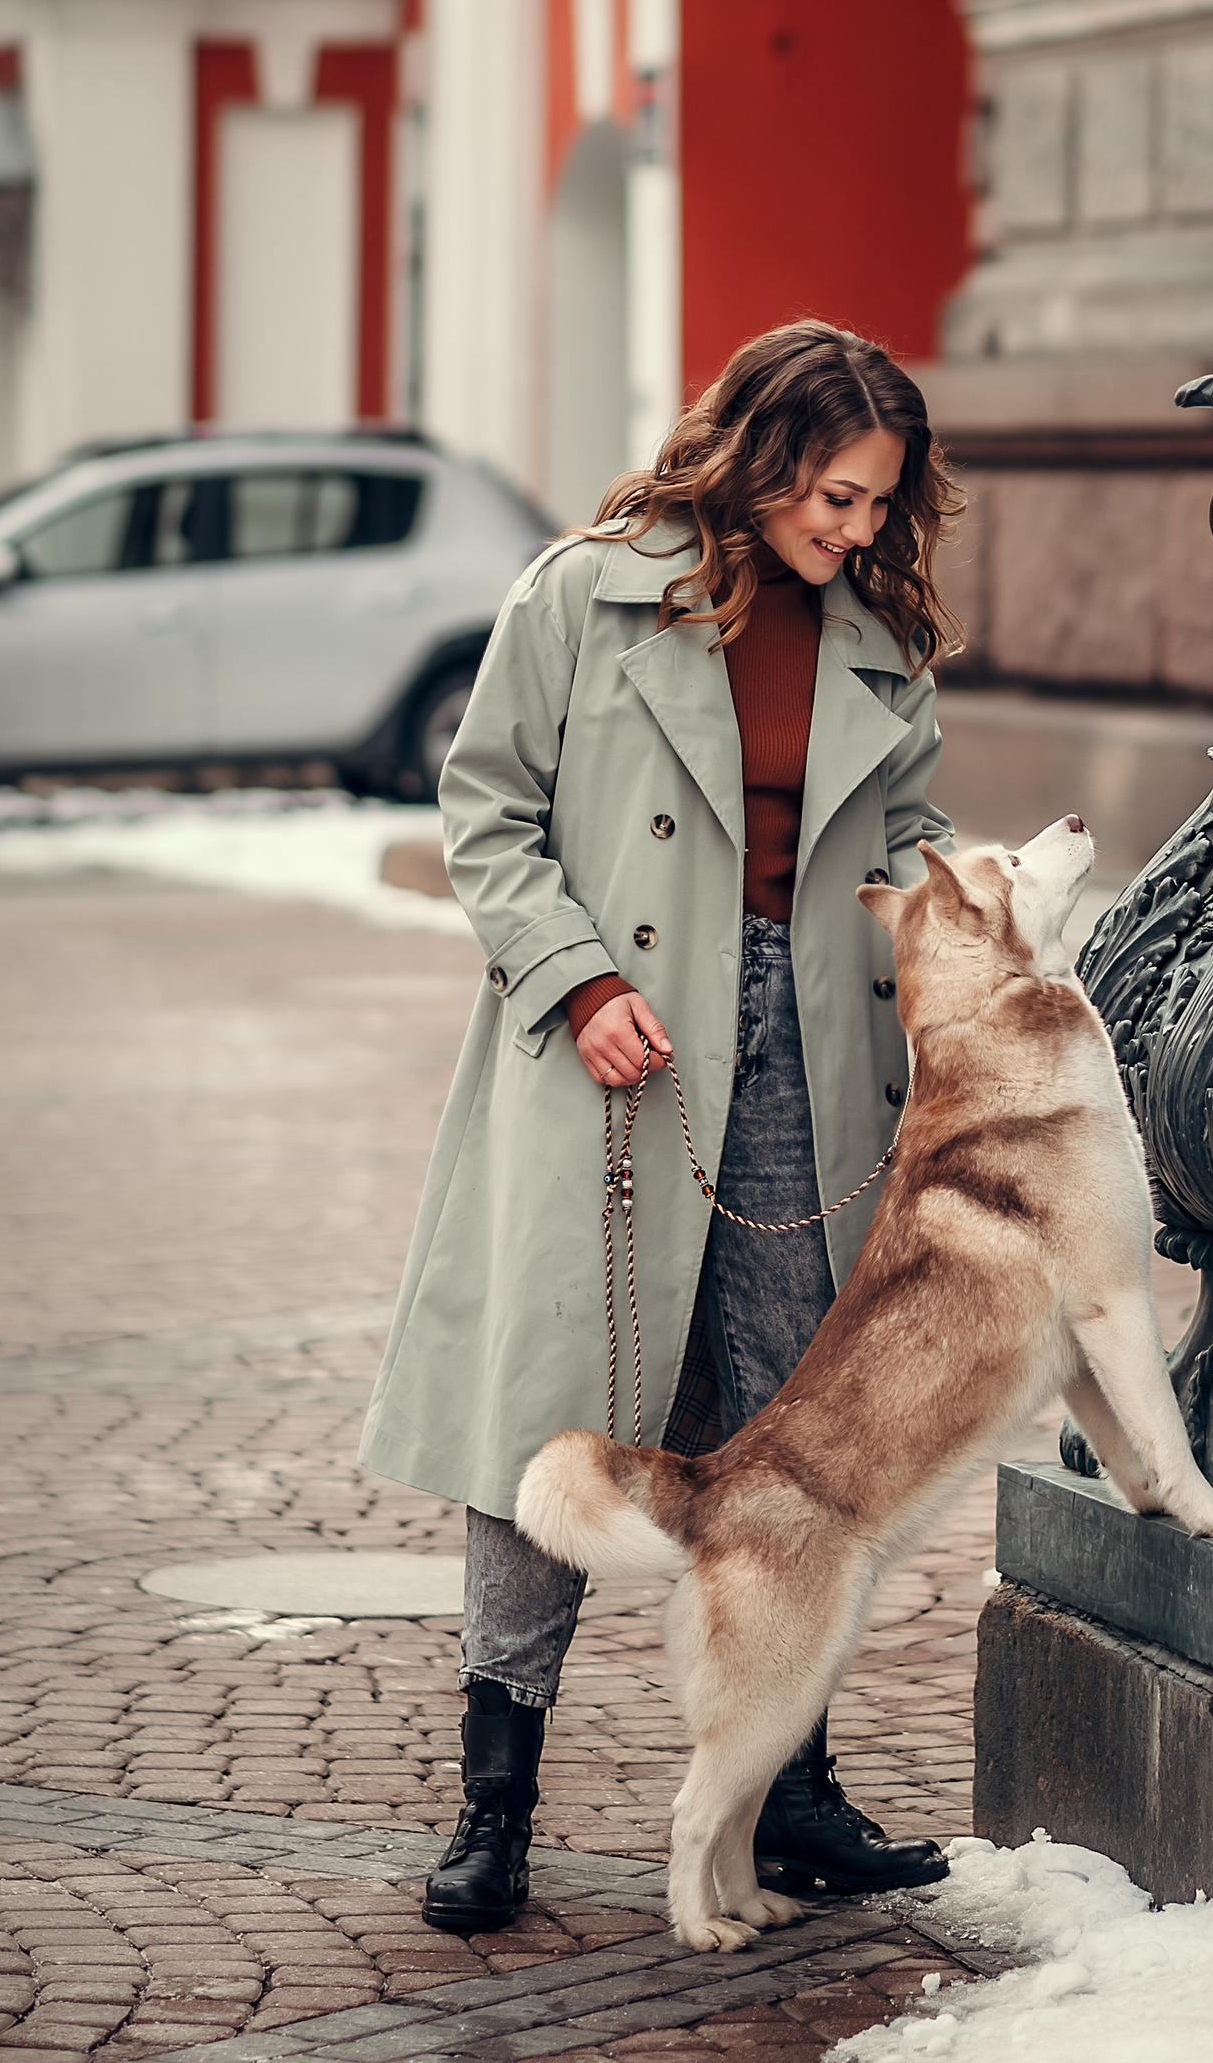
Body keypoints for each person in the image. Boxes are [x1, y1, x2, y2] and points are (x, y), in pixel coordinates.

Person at [357, 321, 963, 1937]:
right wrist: (574, 980)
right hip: (621, 1044)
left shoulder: (880, 636)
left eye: (879, 503)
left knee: (799, 1428)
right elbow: (486, 811)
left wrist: (962, 931)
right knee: (554, 1421)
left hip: (814, 1056)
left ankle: (795, 1793)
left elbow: (910, 833)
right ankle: (496, 1806)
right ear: (762, 459)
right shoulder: (584, 595)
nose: (856, 529)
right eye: (834, 496)